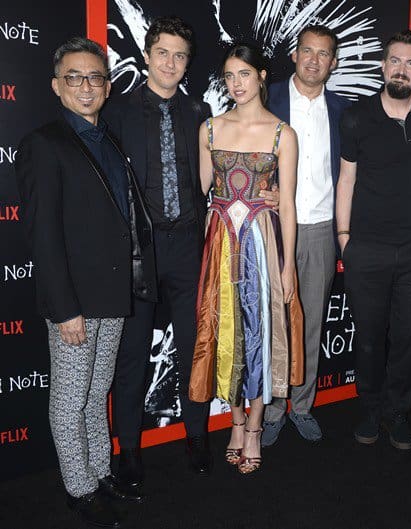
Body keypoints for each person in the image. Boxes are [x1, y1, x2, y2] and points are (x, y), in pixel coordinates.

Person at [15, 37, 157, 527]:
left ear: (108, 85)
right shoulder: (44, 144)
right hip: (74, 301)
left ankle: (99, 474)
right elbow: (43, 235)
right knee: (71, 400)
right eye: (74, 77)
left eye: (95, 76)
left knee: (97, 396)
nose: (86, 86)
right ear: (57, 86)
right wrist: (63, 307)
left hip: (112, 294)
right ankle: (79, 488)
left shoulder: (108, 140)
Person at [103, 16, 214, 484]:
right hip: (137, 253)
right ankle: (128, 450)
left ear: (188, 64)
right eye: (163, 52)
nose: (171, 62)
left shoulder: (200, 113)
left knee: (195, 350)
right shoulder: (116, 112)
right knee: (131, 357)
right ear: (148, 55)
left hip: (189, 247)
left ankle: (196, 436)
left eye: (180, 55)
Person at [188, 42, 302, 475]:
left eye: (244, 74)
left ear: (261, 77)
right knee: (226, 333)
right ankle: (234, 421)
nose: (236, 84)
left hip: (262, 245)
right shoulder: (210, 130)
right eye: (230, 76)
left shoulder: (281, 134)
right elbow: (201, 192)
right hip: (219, 244)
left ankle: (254, 427)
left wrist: (288, 264)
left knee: (260, 333)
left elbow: (287, 205)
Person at [337, 30, 411, 451]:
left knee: (408, 335)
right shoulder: (356, 116)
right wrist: (344, 237)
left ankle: (398, 411)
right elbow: (346, 179)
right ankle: (369, 407)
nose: (402, 69)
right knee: (368, 334)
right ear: (384, 66)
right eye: (395, 61)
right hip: (366, 246)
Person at [262, 24, 350, 446]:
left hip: (320, 230)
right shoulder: (269, 98)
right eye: (308, 51)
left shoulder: (343, 110)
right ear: (295, 55)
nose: (314, 60)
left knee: (311, 322)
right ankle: (274, 409)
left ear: (333, 62)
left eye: (323, 54)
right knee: (272, 322)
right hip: (274, 228)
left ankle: (303, 404)